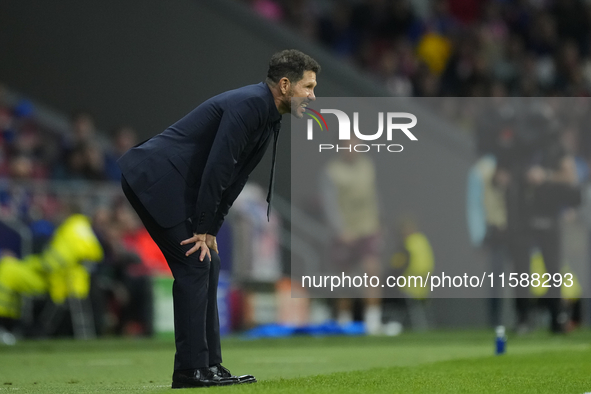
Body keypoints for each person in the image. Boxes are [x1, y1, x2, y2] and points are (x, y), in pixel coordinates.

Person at [117, 49, 320, 388]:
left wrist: (210, 229)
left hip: (172, 182)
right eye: (309, 87)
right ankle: (189, 371)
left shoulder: (267, 114)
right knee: (195, 264)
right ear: (285, 85)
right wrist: (201, 227)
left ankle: (209, 365)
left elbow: (235, 178)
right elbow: (219, 167)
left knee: (207, 260)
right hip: (154, 179)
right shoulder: (251, 105)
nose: (313, 96)